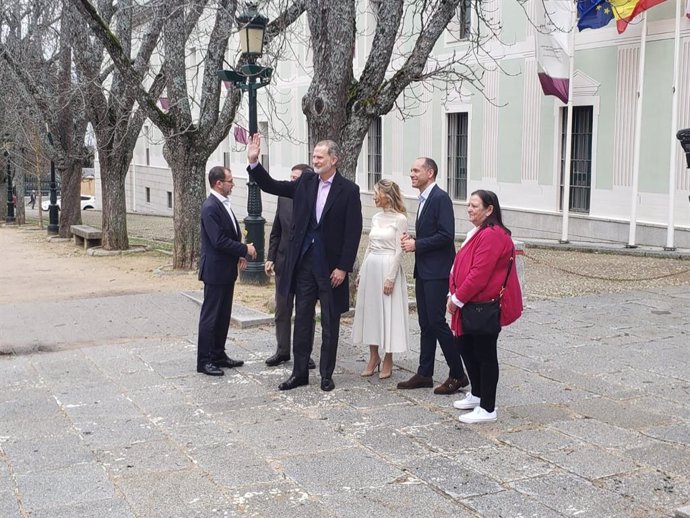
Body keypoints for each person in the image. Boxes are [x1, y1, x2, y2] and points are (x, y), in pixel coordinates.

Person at [247, 134, 362, 392]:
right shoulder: (306, 182)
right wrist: (255, 163)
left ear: (334, 160)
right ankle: (299, 373)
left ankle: (326, 374)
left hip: (331, 268)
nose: (315, 160)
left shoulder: (349, 190)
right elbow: (273, 186)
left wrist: (343, 267)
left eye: (319, 157)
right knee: (303, 319)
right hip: (304, 264)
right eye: (313, 157)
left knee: (330, 321)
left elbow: (352, 232)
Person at [447, 190, 522, 423]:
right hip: (469, 302)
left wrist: (457, 298)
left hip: (482, 304)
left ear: (489, 209)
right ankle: (478, 394)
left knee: (485, 354)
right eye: (468, 204)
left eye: (475, 205)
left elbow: (480, 273)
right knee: (466, 347)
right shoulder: (479, 232)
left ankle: (488, 407)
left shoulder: (493, 235)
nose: (469, 208)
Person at [397, 157, 468, 394]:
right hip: (424, 270)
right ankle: (424, 373)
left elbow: (446, 235)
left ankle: (458, 373)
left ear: (431, 172)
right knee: (425, 323)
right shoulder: (424, 199)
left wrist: (417, 244)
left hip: (437, 271)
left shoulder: (440, 198)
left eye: (416, 170)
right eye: (411, 170)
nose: (412, 174)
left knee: (437, 322)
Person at [196, 166, 257, 376]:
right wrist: (245, 249)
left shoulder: (222, 204)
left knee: (223, 315)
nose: (233, 184)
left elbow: (228, 235)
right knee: (211, 316)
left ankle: (218, 354)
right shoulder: (210, 206)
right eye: (230, 181)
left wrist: (238, 255)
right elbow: (218, 240)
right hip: (214, 270)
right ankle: (204, 360)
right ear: (218, 183)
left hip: (225, 268)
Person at [352, 179, 409, 380]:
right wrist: (361, 273)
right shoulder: (376, 217)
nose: (374, 196)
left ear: (387, 195)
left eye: (376, 193)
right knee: (372, 312)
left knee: (388, 312)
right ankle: (373, 356)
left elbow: (398, 250)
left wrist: (391, 278)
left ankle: (388, 358)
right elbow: (369, 245)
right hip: (372, 267)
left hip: (387, 268)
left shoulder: (400, 219)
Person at [264, 163, 316, 371]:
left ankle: (304, 353)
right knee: (282, 308)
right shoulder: (283, 197)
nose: (292, 182)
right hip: (284, 262)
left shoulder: (314, 200)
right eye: (291, 177)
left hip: (305, 264)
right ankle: (282, 350)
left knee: (306, 311)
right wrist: (271, 257)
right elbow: (276, 230)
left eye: (296, 178)